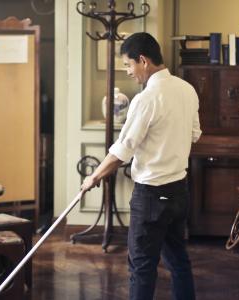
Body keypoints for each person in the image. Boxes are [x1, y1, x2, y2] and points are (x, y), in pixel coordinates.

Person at [80, 32, 201, 300]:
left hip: (151, 197)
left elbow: (123, 150)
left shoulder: (146, 99)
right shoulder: (187, 90)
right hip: (179, 192)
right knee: (179, 261)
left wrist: (93, 178)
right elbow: (195, 134)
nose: (128, 72)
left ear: (143, 61)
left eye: (128, 64)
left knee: (142, 268)